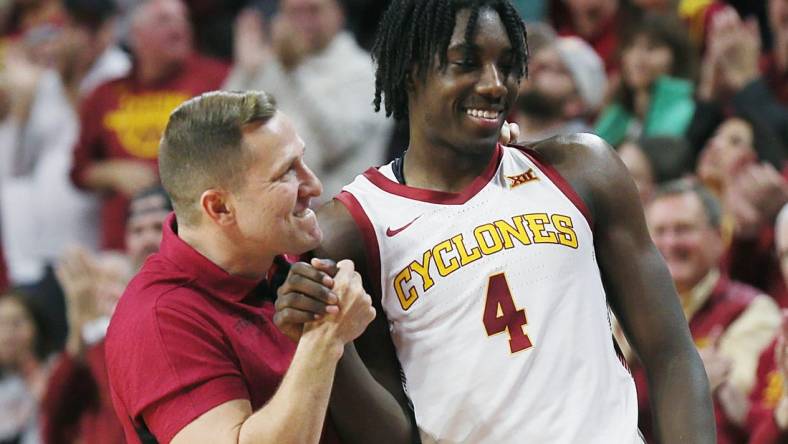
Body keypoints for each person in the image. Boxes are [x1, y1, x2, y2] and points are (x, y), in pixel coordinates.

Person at [274, 0, 715, 442]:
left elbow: (672, 355)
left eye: (506, 65)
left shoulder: (584, 169)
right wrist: (328, 341)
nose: (494, 84)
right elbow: (393, 437)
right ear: (410, 69)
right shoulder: (351, 229)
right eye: (466, 63)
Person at [104, 90, 377, 444]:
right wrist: (325, 339)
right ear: (219, 207)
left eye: (303, 160)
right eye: (285, 174)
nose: (313, 185)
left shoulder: (289, 258)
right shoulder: (157, 321)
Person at [70, 0, 228, 251]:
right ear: (135, 34)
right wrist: (112, 172)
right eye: (164, 20)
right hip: (123, 246)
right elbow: (78, 172)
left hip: (197, 243)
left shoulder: (217, 79)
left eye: (183, 19)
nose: (179, 28)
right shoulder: (104, 94)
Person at [640, 179, 781, 443]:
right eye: (659, 231)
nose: (669, 243)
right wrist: (689, 380)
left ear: (718, 237)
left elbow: (733, 404)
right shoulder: (621, 309)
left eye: (683, 230)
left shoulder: (753, 310)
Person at [41, 186, 172, 444]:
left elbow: (132, 418)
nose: (146, 239)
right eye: (137, 231)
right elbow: (53, 418)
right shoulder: (106, 305)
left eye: (158, 228)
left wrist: (96, 332)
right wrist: (78, 338)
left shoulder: (187, 306)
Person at [226, 0, 392, 201]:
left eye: (313, 10)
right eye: (293, 12)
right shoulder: (272, 64)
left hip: (339, 214)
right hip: (270, 209)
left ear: (339, 14)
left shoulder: (365, 72)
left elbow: (334, 144)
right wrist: (245, 70)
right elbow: (224, 129)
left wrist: (294, 71)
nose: (303, 21)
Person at [513, 34, 607, 141]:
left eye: (555, 68)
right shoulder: (500, 131)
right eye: (533, 61)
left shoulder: (578, 150)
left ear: (576, 105)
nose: (534, 69)